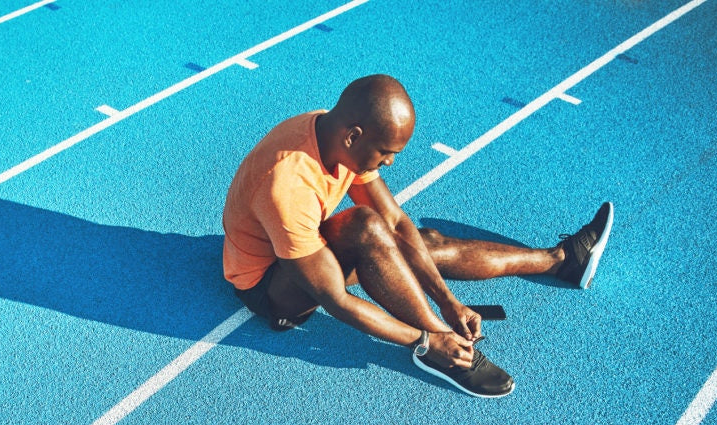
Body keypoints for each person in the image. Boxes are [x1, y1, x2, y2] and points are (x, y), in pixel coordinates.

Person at [221, 74, 613, 398]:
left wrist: (448, 302)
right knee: (365, 227)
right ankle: (443, 351)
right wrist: (426, 338)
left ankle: (561, 260)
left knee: (420, 240)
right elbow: (336, 299)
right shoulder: (287, 184)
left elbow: (396, 222)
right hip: (270, 286)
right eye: (386, 152)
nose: (389, 162)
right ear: (353, 136)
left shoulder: (331, 131)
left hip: (298, 242)